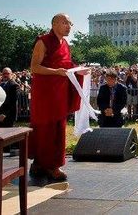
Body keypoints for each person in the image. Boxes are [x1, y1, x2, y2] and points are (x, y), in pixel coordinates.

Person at [29, 13, 87, 181]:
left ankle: (42, 164)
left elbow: (67, 65)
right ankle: (50, 166)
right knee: (44, 127)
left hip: (59, 92)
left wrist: (79, 70)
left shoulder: (65, 44)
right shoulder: (43, 41)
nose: (69, 26)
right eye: (65, 23)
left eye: (70, 23)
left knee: (58, 127)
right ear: (54, 24)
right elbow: (34, 67)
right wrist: (56, 72)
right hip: (45, 93)